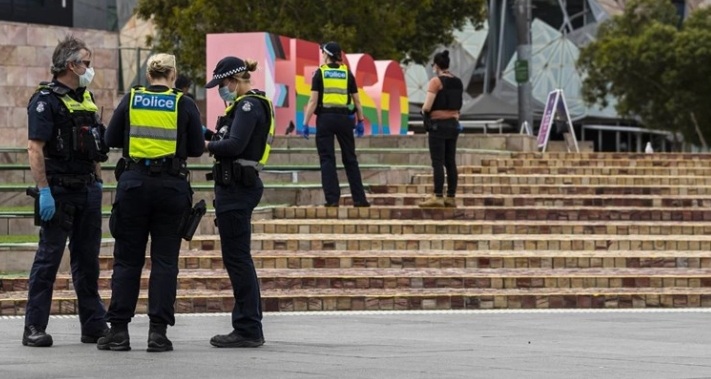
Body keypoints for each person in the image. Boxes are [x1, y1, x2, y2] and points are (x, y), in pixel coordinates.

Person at [98, 53, 204, 352]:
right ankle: (158, 333)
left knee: (128, 260)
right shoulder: (183, 102)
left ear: (148, 75)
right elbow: (196, 148)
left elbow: (109, 138)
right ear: (173, 74)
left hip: (133, 186)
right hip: (171, 189)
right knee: (165, 261)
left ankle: (118, 332)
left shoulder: (132, 99)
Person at [24, 35, 109, 347]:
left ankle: (94, 326)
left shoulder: (86, 99)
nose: (89, 68)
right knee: (48, 260)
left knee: (87, 262)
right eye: (86, 62)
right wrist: (44, 190)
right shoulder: (45, 100)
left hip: (87, 189)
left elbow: (95, 148)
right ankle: (34, 327)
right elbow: (35, 148)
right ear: (71, 65)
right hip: (58, 191)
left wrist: (98, 183)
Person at [204, 56, 274, 348]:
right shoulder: (246, 106)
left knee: (238, 259)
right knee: (239, 259)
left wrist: (204, 144)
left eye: (222, 84)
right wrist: (208, 134)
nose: (222, 90)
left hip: (237, 190)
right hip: (236, 188)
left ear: (233, 80)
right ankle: (249, 324)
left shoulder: (247, 106)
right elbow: (229, 139)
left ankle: (247, 327)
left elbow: (234, 145)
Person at [302, 41, 370, 207]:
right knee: (350, 159)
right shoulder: (347, 74)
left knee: (327, 159)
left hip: (325, 119)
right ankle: (360, 199)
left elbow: (313, 101)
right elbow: (357, 101)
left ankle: (332, 200)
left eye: (323, 53)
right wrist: (360, 120)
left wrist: (305, 122)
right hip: (345, 119)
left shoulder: (320, 73)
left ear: (327, 55)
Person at [418, 50, 463, 208]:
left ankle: (437, 195)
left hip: (438, 126)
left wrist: (423, 111)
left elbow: (428, 105)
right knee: (450, 161)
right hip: (453, 124)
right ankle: (450, 196)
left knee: (437, 161)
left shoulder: (436, 81)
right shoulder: (458, 82)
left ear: (436, 65)